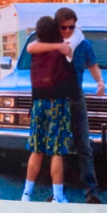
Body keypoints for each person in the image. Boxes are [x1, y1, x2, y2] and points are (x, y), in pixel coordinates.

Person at [26, 7, 106, 203]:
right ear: (56, 26)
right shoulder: (46, 43)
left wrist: (100, 80)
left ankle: (91, 193)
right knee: (53, 148)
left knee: (83, 145)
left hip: (75, 98)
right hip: (53, 99)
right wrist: (58, 47)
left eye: (72, 26)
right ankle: (55, 194)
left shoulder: (83, 44)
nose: (69, 31)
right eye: (64, 27)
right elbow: (30, 48)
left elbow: (92, 64)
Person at [22, 16, 78, 203]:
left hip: (38, 103)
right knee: (56, 152)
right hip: (58, 103)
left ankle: (27, 194)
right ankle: (58, 196)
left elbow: (30, 46)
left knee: (36, 150)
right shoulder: (64, 49)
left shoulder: (37, 51)